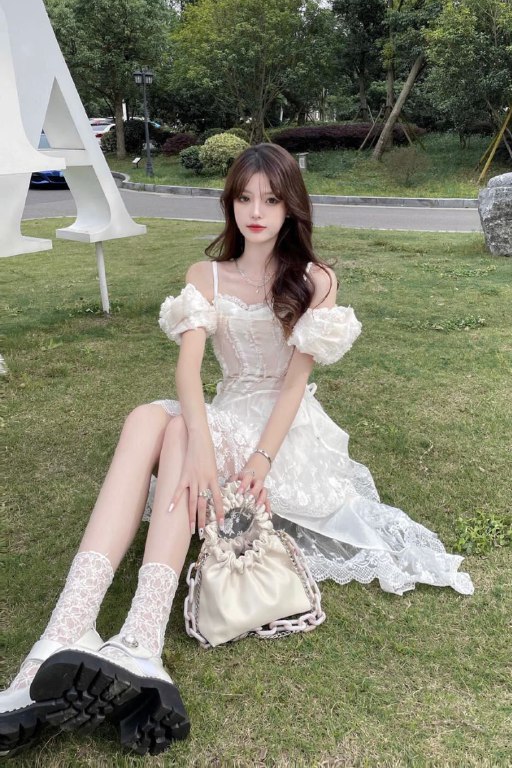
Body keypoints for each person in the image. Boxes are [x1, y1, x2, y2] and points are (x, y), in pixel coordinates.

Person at [0, 143, 473, 759]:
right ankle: (67, 630)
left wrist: (258, 460)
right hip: (221, 413)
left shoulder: (315, 280)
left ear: (290, 207)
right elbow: (187, 372)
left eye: (270, 200)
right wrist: (202, 445)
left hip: (282, 432)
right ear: (230, 203)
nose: (256, 212)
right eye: (245, 198)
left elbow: (295, 385)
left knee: (176, 432)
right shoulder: (207, 276)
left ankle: (139, 636)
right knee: (147, 418)